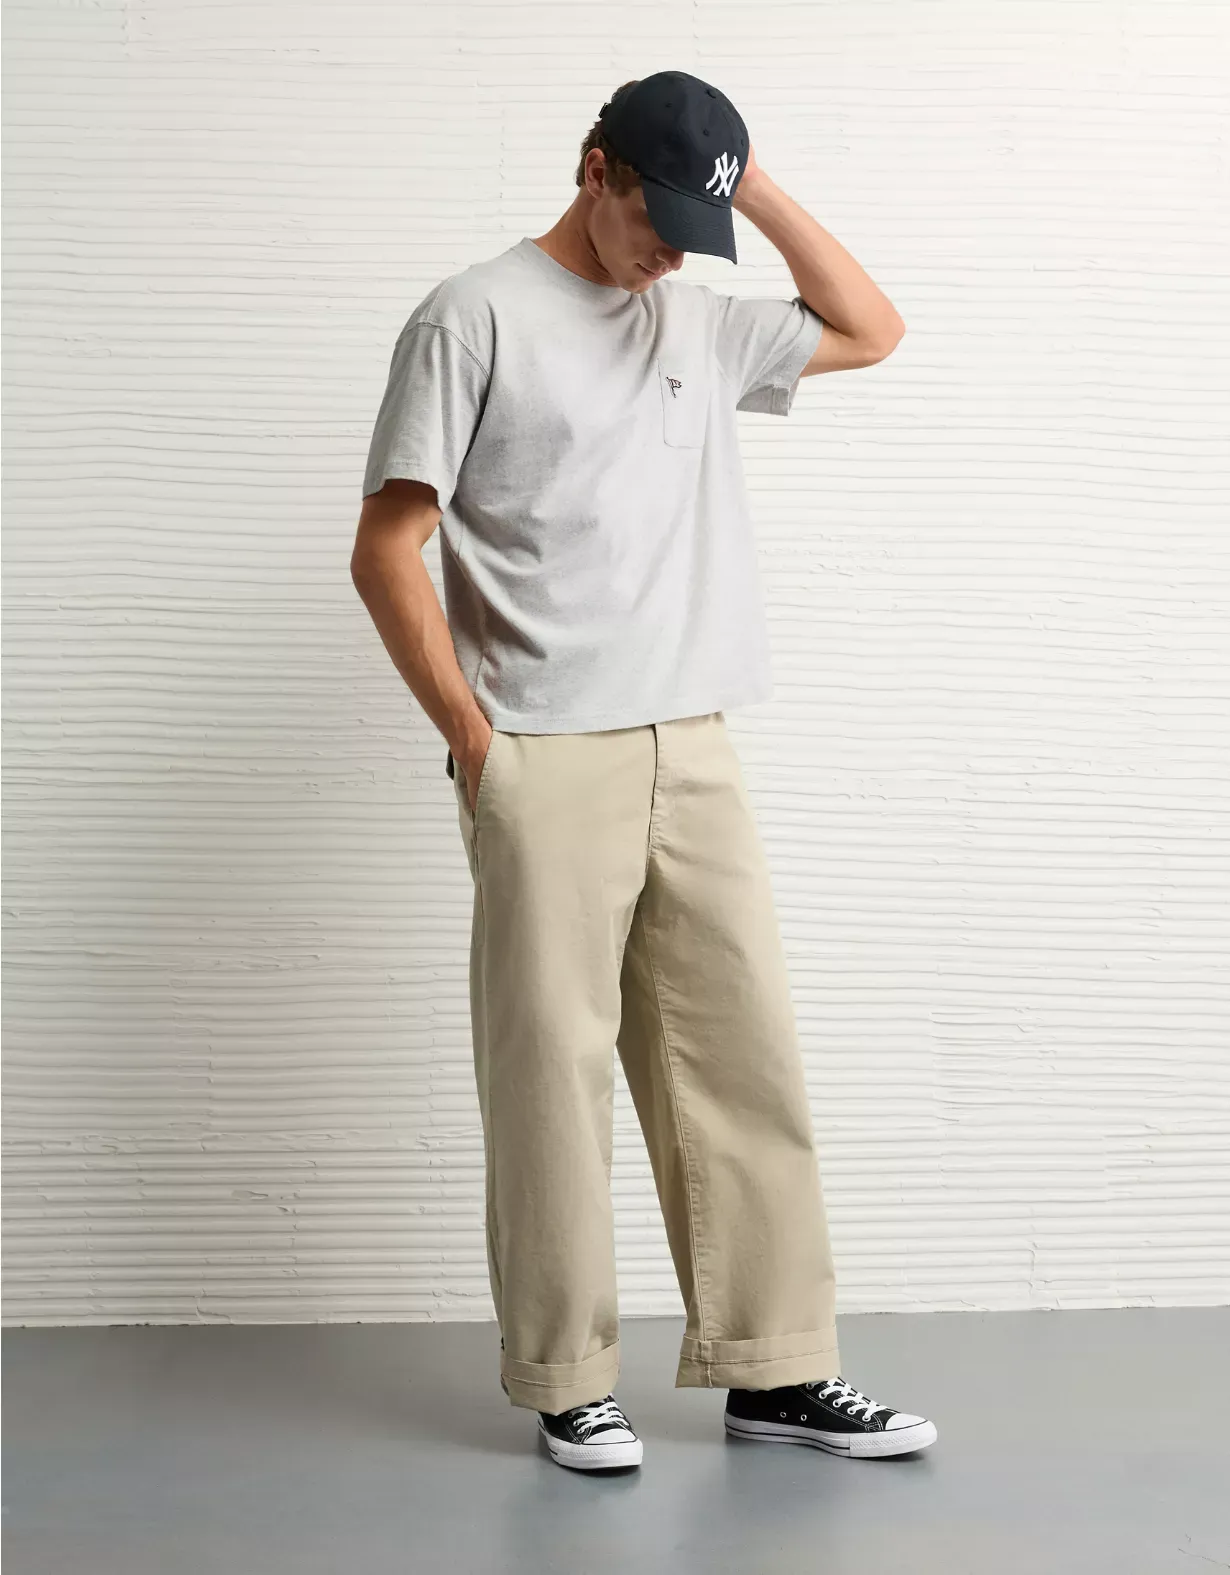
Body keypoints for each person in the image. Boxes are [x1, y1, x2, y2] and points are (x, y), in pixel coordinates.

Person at [351, 69, 936, 1473]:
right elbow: (386, 550)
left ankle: (776, 1371)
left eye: (694, 230)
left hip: (698, 741)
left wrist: (751, 186)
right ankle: (567, 1379)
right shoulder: (473, 315)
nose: (670, 254)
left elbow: (873, 328)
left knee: (744, 1061)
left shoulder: (695, 317)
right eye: (655, 220)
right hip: (544, 752)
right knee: (550, 1074)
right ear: (592, 168)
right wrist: (475, 742)